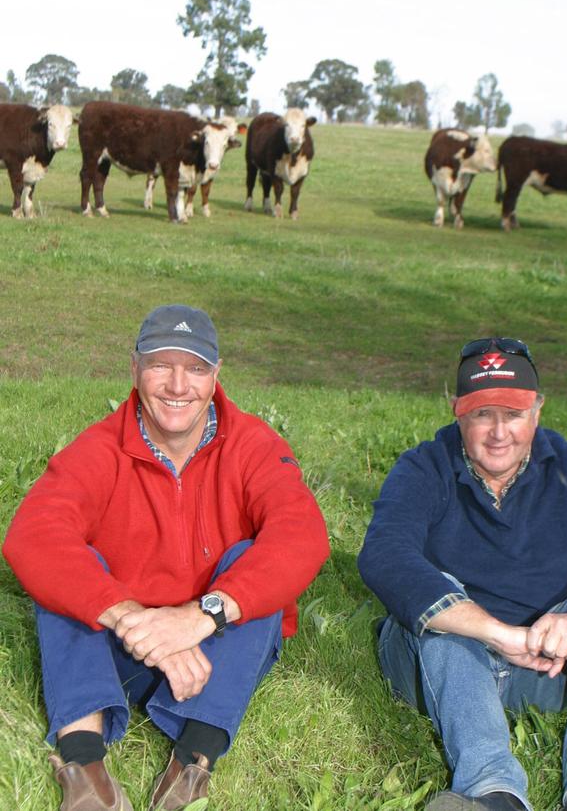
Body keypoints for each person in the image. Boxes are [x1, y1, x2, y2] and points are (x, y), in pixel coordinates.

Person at [3, 304, 330, 811]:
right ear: (134, 369)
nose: (178, 385)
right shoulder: (98, 449)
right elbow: (33, 536)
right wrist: (129, 615)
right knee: (68, 575)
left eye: (196, 368)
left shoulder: (254, 446)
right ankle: (85, 769)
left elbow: (303, 536)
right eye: (161, 365)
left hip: (216, 653)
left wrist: (203, 615)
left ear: (215, 376)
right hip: (120, 647)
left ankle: (191, 766)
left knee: (256, 567)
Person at [358, 337, 567, 811]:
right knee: (440, 598)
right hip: (442, 667)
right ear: (455, 410)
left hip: (549, 666)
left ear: (537, 410)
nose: (498, 433)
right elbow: (384, 554)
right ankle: (493, 793)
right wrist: (494, 632)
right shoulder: (424, 466)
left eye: (513, 414)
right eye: (481, 414)